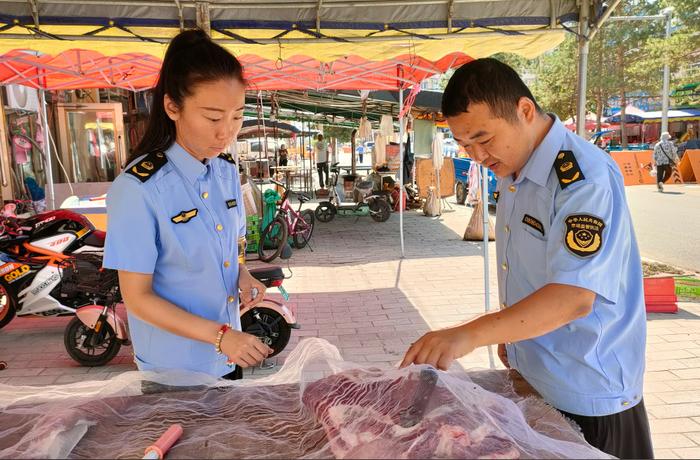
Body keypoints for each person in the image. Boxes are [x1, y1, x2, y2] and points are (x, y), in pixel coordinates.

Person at [400, 58, 652, 459]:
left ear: (525, 111)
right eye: (466, 145)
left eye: (484, 139)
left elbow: (573, 297)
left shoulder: (581, 178)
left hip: (588, 392)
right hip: (537, 380)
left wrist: (467, 334)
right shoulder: (514, 168)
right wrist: (513, 336)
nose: (477, 155)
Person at [104, 29, 272, 381]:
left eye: (237, 116)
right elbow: (137, 298)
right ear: (172, 107)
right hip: (174, 372)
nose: (226, 132)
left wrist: (242, 275)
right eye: (213, 117)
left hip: (226, 359)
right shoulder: (138, 189)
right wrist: (221, 337)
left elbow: (229, 248)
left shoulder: (224, 172)